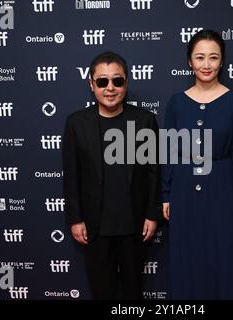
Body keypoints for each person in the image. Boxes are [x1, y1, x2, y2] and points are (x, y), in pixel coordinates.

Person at [161, 30, 233, 299]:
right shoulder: (177, 103)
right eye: (199, 57)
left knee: (223, 257)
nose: (206, 64)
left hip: (222, 188)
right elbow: (169, 151)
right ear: (189, 61)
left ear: (222, 61)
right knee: (185, 258)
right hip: (184, 187)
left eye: (213, 57)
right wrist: (165, 193)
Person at [62, 51, 161, 300]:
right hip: (95, 228)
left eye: (117, 81)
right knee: (101, 292)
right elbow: (71, 176)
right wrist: (75, 219)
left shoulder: (144, 121)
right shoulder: (76, 123)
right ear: (91, 84)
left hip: (134, 226)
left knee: (133, 292)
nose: (110, 88)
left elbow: (153, 172)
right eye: (102, 81)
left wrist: (152, 213)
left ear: (126, 82)